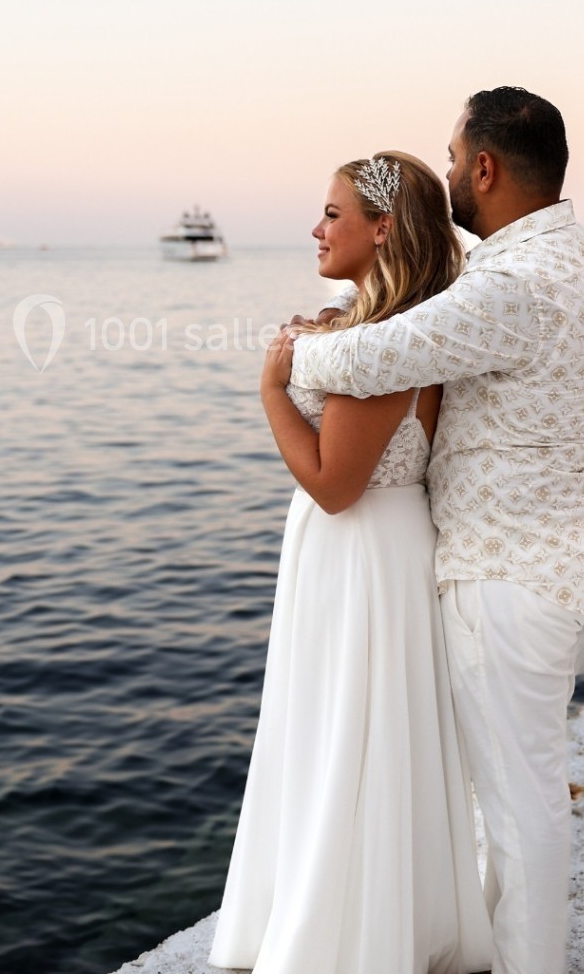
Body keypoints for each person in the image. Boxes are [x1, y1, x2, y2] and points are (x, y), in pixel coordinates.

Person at [284, 88, 584, 974]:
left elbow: (372, 356)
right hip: (550, 562)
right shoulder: (570, 262)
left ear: (485, 169)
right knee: (522, 783)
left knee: (520, 797)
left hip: (505, 571)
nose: (448, 172)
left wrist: (288, 355)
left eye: (454, 159)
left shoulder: (514, 283)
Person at [209, 153, 493, 974]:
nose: (315, 228)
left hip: (360, 549)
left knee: (351, 736)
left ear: (382, 229)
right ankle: (360, 910)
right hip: (367, 549)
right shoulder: (378, 326)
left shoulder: (383, 349)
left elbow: (335, 485)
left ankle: (347, 935)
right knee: (343, 731)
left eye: (333, 214)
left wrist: (272, 390)